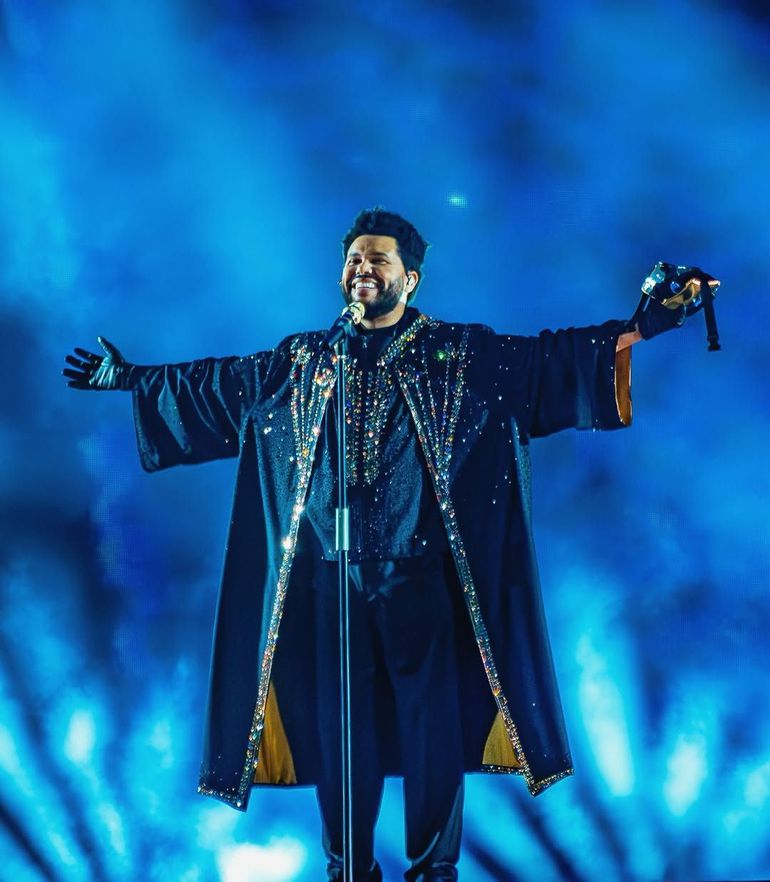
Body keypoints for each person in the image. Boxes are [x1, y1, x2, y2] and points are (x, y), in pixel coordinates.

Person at [63, 209, 694, 882]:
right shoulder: (306, 358)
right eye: (355, 259)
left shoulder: (459, 353)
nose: (363, 268)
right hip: (330, 581)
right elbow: (223, 382)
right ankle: (348, 870)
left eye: (378, 260)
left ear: (411, 279)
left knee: (432, 729)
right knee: (341, 731)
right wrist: (130, 379)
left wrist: (639, 327)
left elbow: (549, 359)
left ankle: (432, 871)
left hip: (417, 576)